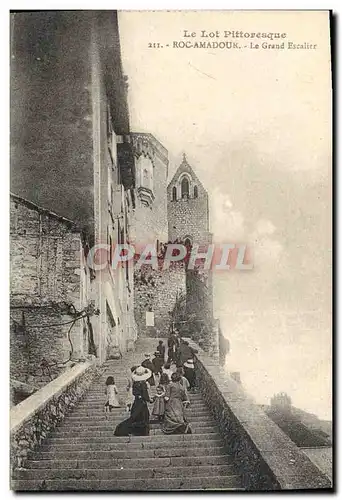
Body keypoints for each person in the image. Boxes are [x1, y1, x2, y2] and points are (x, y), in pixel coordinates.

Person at [114, 366, 153, 436]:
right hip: (142, 403)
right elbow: (145, 394)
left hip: (136, 401)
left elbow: (134, 393)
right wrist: (149, 400)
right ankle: (142, 432)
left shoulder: (135, 383)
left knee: (136, 417)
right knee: (143, 417)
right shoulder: (143, 383)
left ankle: (137, 431)